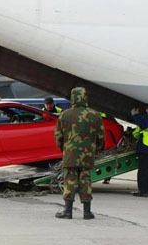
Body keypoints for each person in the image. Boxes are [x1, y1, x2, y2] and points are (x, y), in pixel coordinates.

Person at [54, 87, 104, 220]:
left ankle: (68, 211)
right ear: (85, 97)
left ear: (72, 98)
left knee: (70, 181)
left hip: (70, 154)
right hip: (87, 155)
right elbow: (101, 137)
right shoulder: (95, 115)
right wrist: (95, 149)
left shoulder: (65, 114)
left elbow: (58, 137)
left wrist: (65, 150)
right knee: (86, 181)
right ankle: (87, 212)